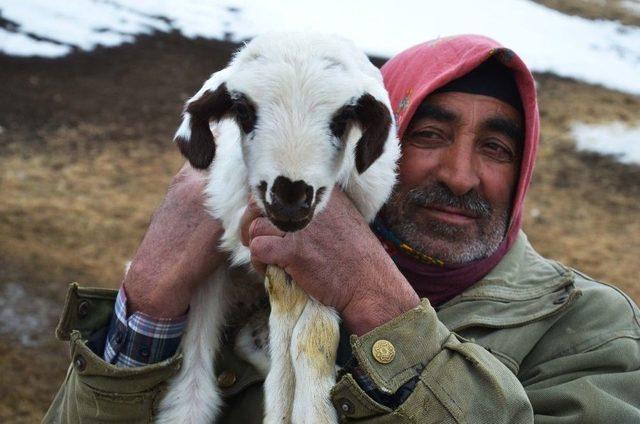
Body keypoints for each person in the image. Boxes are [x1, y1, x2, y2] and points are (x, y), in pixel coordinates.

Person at [44, 35, 640, 423]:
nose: (461, 177)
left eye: (497, 148)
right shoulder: (248, 292)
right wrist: (149, 300)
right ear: (367, 145)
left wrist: (372, 298)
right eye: (429, 135)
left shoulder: (589, 328)